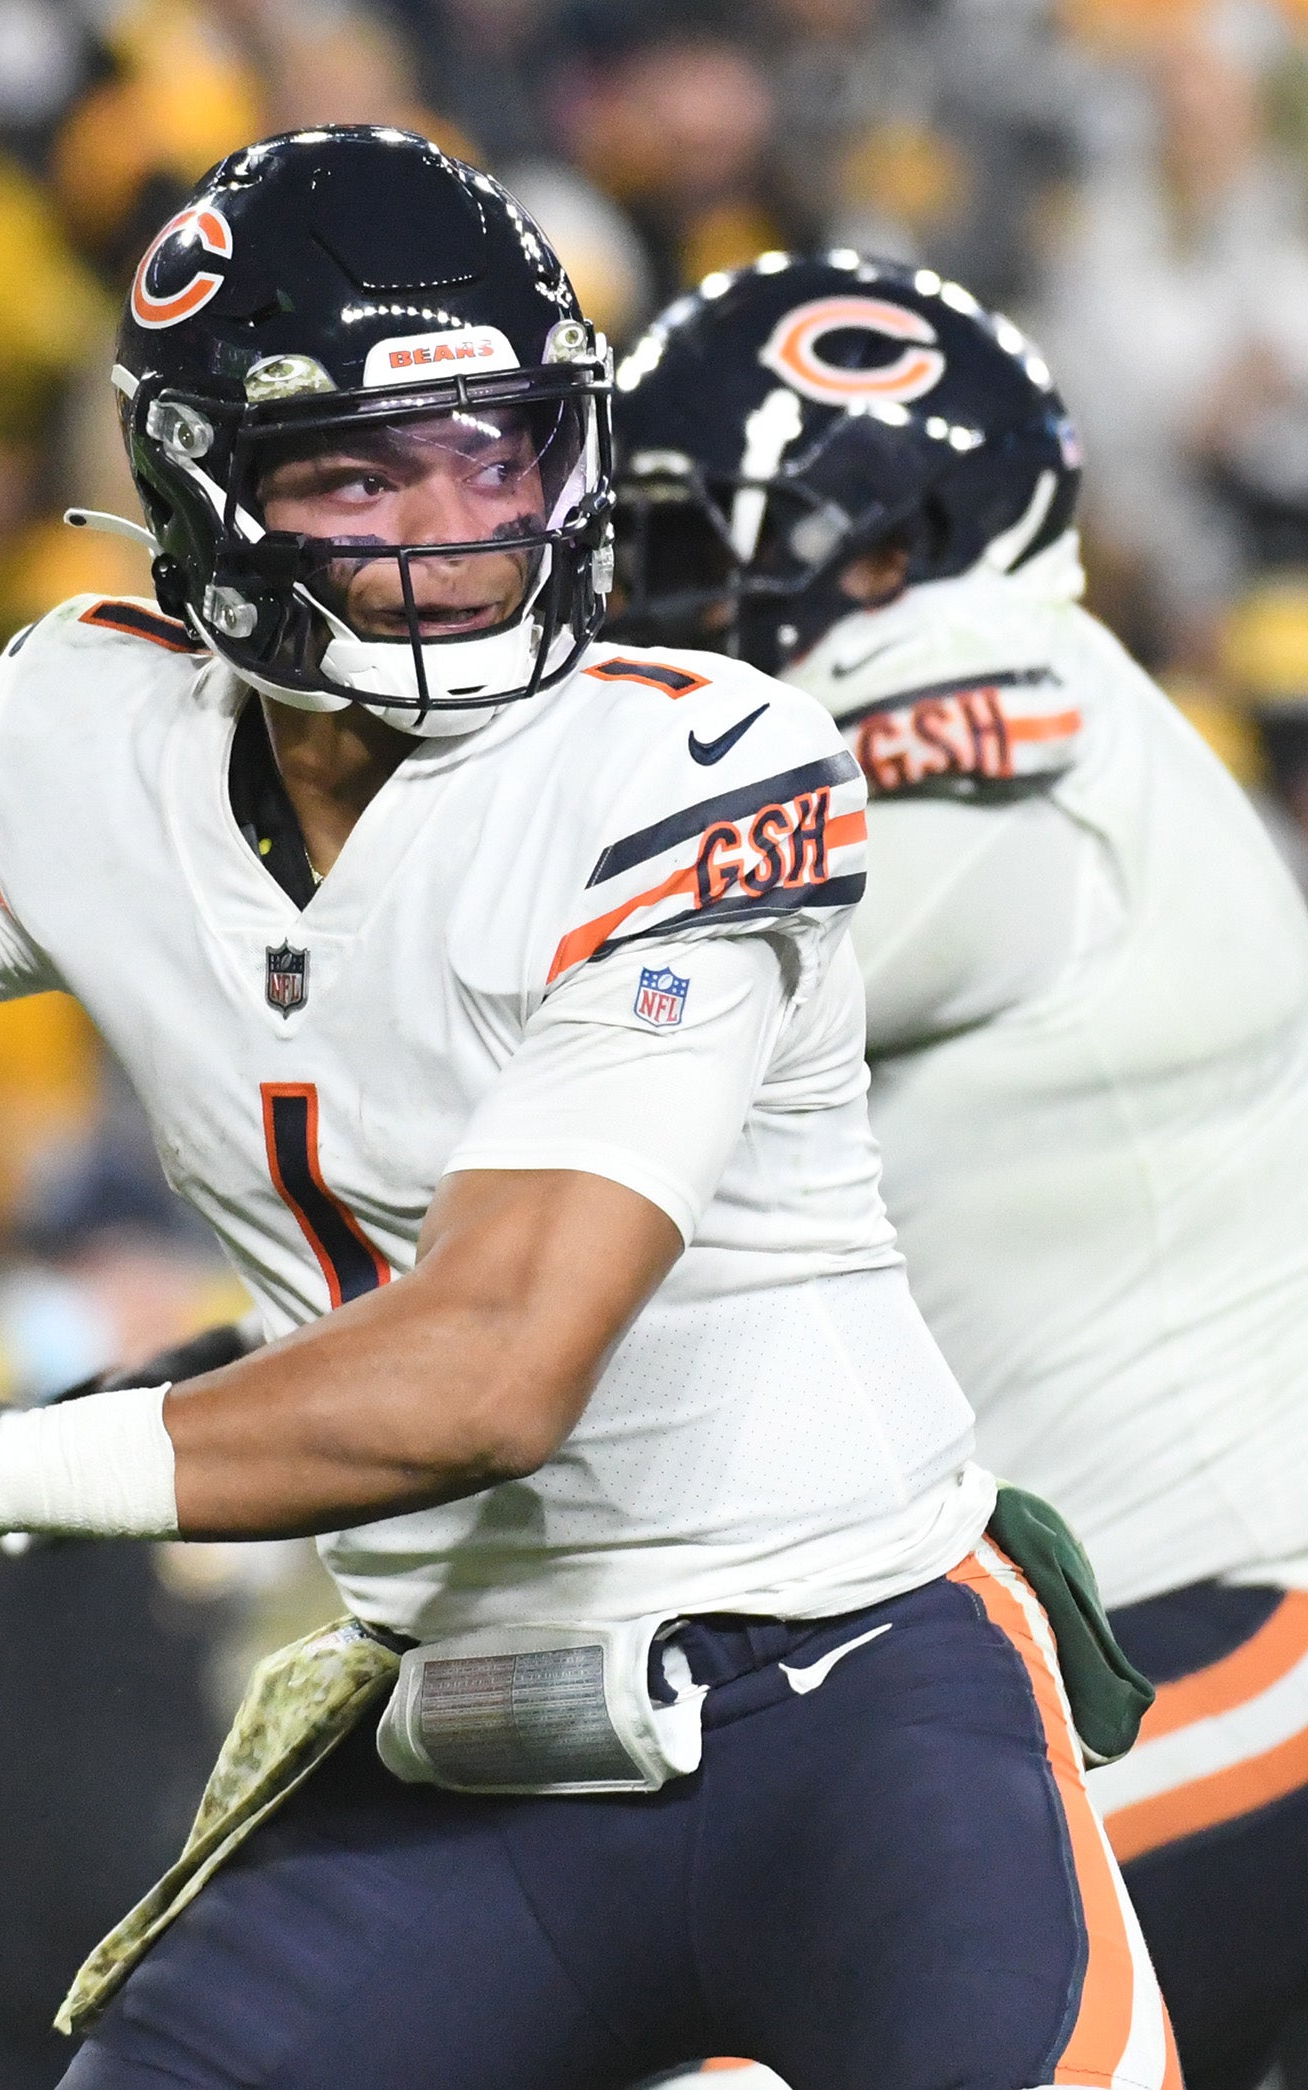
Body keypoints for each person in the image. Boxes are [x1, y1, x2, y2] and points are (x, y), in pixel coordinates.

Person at [0, 129, 1182, 2090]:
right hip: (464, 1741)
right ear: (204, 492)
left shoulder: (700, 763)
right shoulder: (92, 733)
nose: (456, 524)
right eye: (359, 469)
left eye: (499, 451)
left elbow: (491, 1368)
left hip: (848, 1705)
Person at [610, 251, 1308, 2090]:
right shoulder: (1031, 715)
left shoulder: (985, 717)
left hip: (1243, 1630)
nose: (650, 608)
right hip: (1067, 1660)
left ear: (872, 543)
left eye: (684, 549)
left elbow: (582, 1097)